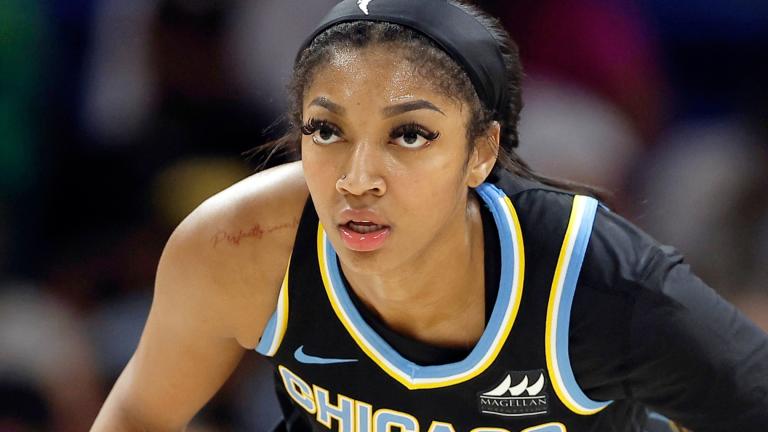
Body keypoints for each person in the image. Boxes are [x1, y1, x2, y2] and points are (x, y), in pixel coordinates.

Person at [91, 0, 768, 431]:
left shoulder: (598, 281)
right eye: (327, 132)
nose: (358, 180)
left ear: (481, 153)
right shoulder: (241, 243)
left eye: (409, 136)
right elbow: (140, 414)